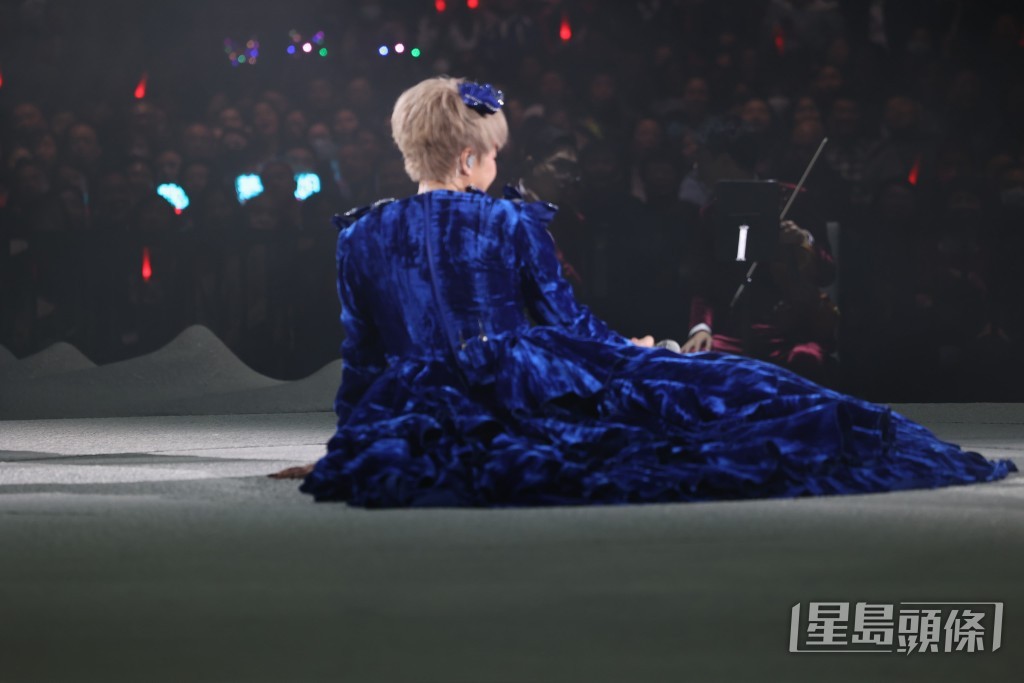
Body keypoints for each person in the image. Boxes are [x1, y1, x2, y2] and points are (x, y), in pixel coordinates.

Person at [271, 77, 1015, 507]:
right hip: (513, 379)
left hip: (412, 399)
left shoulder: (357, 234)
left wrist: (352, 444)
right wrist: (632, 349)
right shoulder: (508, 221)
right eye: (494, 155)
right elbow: (565, 322)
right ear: (469, 158)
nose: (497, 168)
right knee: (729, 389)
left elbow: (362, 357)